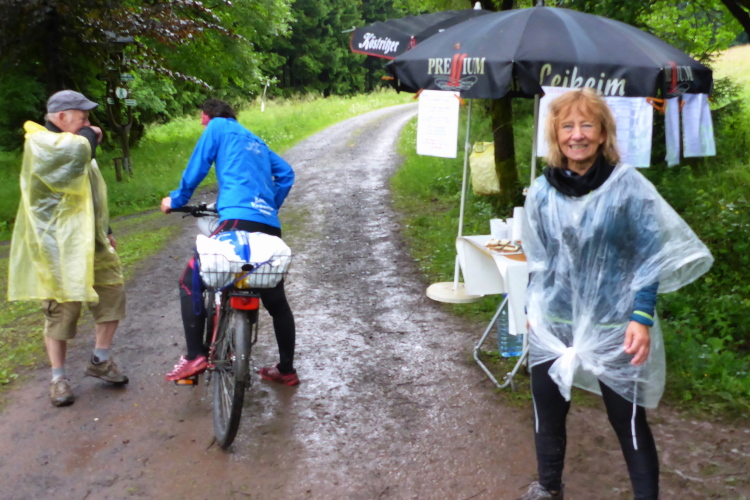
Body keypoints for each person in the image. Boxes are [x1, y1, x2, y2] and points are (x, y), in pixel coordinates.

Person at [517, 88, 713, 500]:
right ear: (555, 135)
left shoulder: (628, 187)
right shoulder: (542, 191)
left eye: (587, 125)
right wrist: (532, 308)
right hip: (554, 322)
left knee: (628, 421)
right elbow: (538, 259)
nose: (577, 135)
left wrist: (641, 317)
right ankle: (548, 488)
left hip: (613, 326)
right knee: (547, 415)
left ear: (603, 133)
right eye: (567, 126)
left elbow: (649, 255)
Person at [160, 98, 298, 386]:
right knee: (274, 295)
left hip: (235, 221)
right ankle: (286, 369)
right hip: (268, 225)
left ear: (208, 117)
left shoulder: (218, 127)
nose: (202, 126)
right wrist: (268, 206)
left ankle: (194, 355)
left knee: (190, 277)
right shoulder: (256, 141)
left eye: (202, 121)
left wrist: (177, 199)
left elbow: (199, 164)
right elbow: (286, 174)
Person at [8, 90, 129, 407]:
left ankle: (100, 359)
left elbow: (90, 191)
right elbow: (80, 151)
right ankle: (58, 378)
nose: (88, 123)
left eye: (88, 118)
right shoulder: (42, 143)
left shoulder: (72, 143)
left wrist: (106, 230)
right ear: (61, 117)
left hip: (92, 238)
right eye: (82, 117)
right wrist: (92, 133)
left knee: (111, 293)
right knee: (62, 310)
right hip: (57, 246)